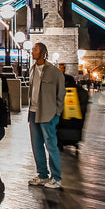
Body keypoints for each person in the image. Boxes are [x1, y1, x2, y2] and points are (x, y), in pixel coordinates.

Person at [27, 42, 66, 189]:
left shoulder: (54, 71)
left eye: (35, 49)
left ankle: (56, 178)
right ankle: (43, 175)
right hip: (33, 113)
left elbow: (61, 93)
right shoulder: (31, 69)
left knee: (51, 146)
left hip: (48, 113)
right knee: (36, 146)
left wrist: (57, 113)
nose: (32, 51)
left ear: (43, 52)